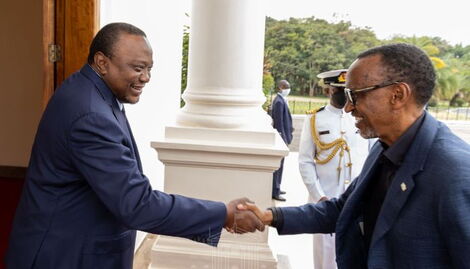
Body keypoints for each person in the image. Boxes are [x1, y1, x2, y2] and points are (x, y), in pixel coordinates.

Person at [5, 23, 263, 269]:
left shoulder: (91, 92)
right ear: (102, 62)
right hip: (65, 256)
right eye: (138, 68)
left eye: (150, 68)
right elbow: (137, 204)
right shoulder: (90, 115)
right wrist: (223, 214)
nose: (146, 77)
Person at [240, 43, 470, 268]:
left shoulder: (455, 172)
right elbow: (343, 208)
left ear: (398, 95)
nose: (348, 108)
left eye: (355, 95)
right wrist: (270, 216)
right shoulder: (383, 146)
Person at [298, 69, 372, 269]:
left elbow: (371, 155)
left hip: (356, 197)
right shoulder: (315, 119)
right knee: (325, 252)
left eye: (347, 90)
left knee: (356, 248)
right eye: (338, 90)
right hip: (326, 197)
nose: (343, 94)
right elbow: (305, 161)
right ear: (328, 91)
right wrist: (319, 196)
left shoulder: (362, 117)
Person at [270, 80, 293, 201]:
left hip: (284, 136)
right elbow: (279, 123)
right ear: (280, 88)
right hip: (281, 137)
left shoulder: (282, 100)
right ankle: (275, 190)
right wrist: (283, 139)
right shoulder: (279, 102)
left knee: (281, 166)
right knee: (278, 166)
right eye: (286, 87)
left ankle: (277, 187)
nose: (288, 89)